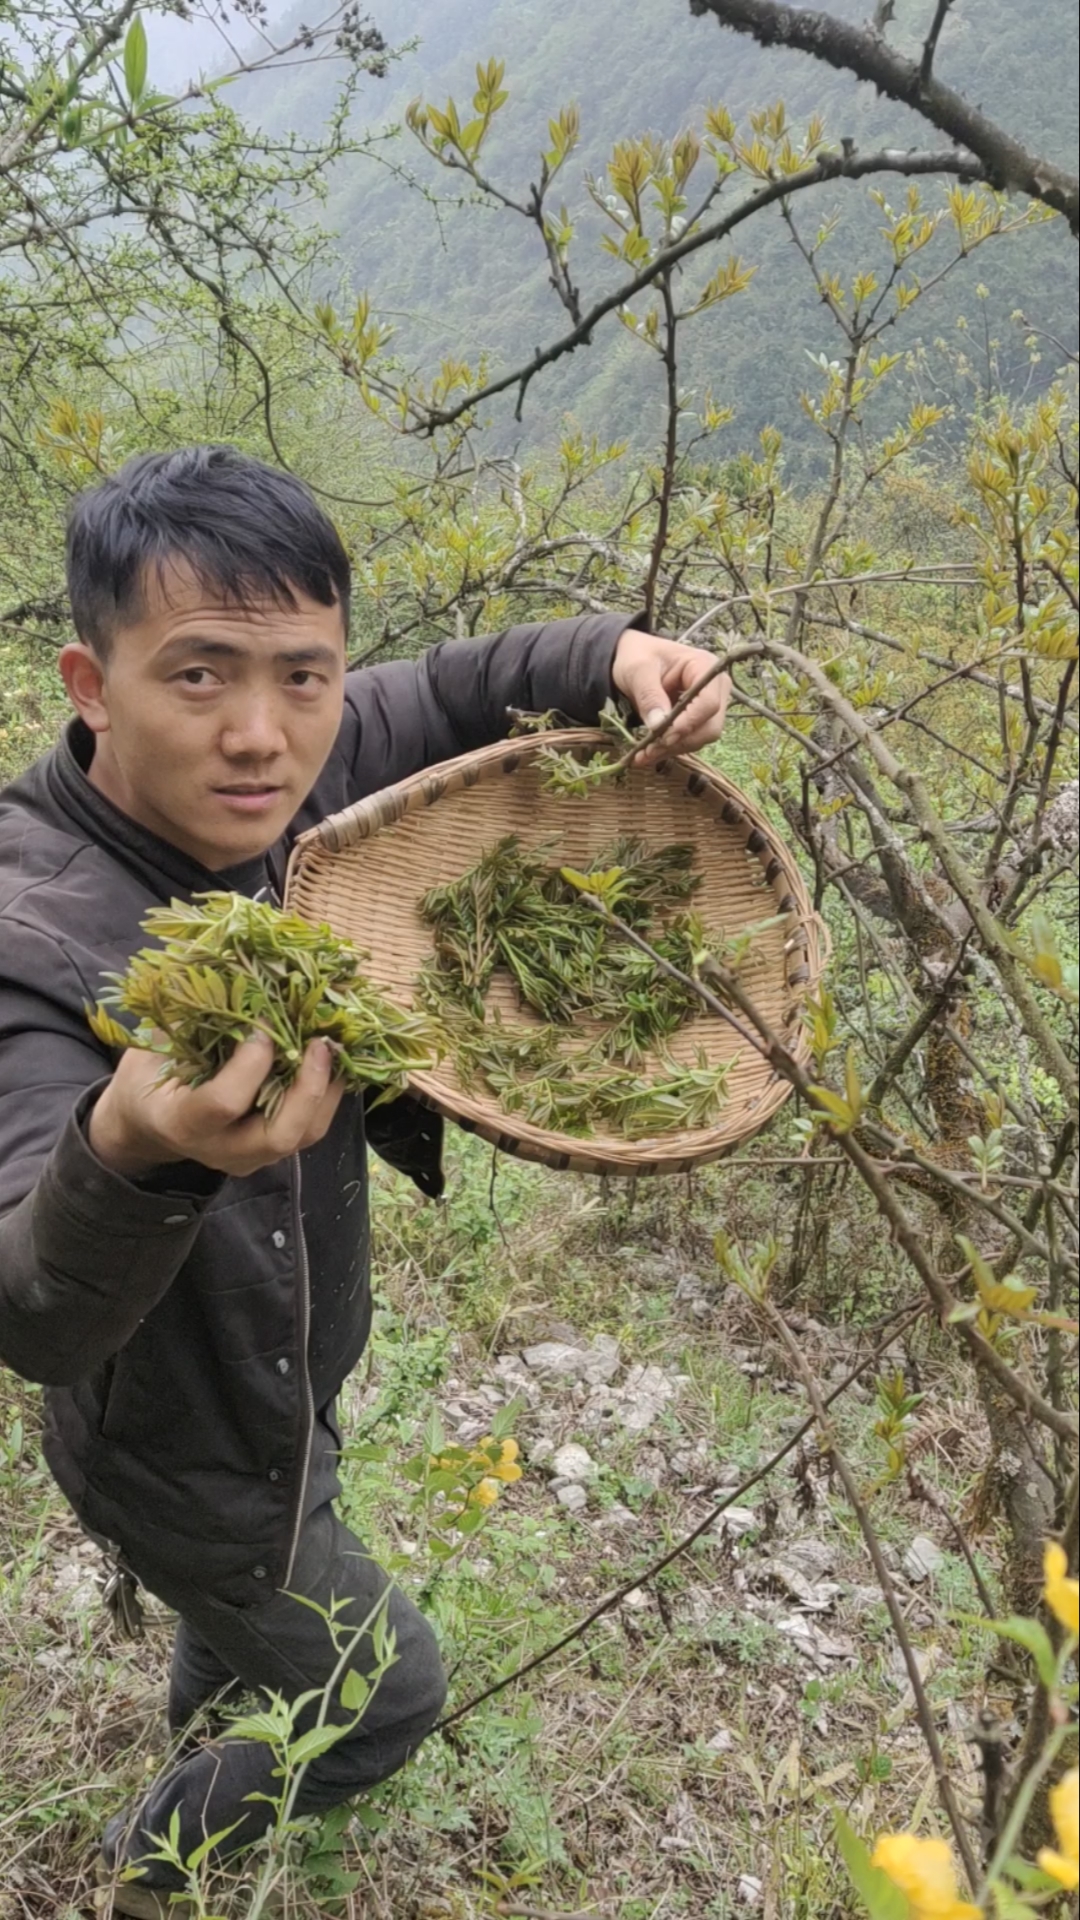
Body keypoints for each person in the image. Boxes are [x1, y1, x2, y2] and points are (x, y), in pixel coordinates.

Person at [0, 446, 730, 1916]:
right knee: (386, 1693)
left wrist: (614, 656)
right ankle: (155, 1862)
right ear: (90, 682)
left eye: (304, 678)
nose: (261, 740)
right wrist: (132, 1153)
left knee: (239, 1634)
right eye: (197, 678)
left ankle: (208, 1726)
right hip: (175, 1448)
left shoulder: (312, 760)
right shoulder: (33, 927)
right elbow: (32, 1313)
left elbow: (453, 692)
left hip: (292, 1377)